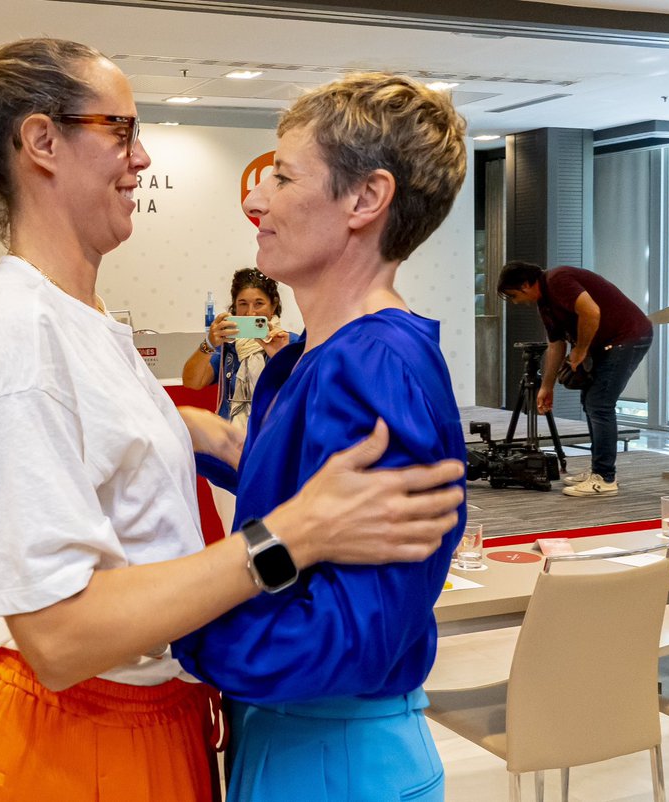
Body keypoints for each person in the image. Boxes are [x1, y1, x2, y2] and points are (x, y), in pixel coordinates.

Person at [0, 39, 466, 802]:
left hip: (180, 726)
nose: (143, 156)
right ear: (43, 143)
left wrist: (184, 433)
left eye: (283, 177)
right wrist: (281, 542)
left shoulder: (87, 322)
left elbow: (160, 447)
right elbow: (58, 637)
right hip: (72, 741)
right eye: (120, 130)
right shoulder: (19, 337)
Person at [172, 72, 469, 801]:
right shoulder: (317, 354)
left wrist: (177, 620)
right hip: (294, 743)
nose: (254, 200)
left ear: (366, 199)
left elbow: (354, 634)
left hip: (331, 754)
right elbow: (317, 500)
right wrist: (214, 439)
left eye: (280, 175)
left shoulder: (373, 367)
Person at [497, 261, 653, 497]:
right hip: (606, 345)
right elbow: (556, 345)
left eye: (513, 295)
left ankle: (604, 478)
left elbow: (591, 311)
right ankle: (598, 470)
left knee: (599, 404)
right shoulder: (545, 303)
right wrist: (546, 387)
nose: (516, 302)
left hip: (627, 338)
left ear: (526, 285)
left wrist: (579, 350)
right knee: (590, 402)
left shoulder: (558, 280)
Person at [182, 268, 291, 428]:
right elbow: (192, 382)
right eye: (243, 304)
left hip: (272, 433)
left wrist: (280, 356)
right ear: (234, 306)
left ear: (273, 306)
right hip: (231, 434)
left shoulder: (288, 341)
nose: (250, 313)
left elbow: (303, 391)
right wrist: (209, 344)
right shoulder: (227, 346)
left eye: (259, 304)